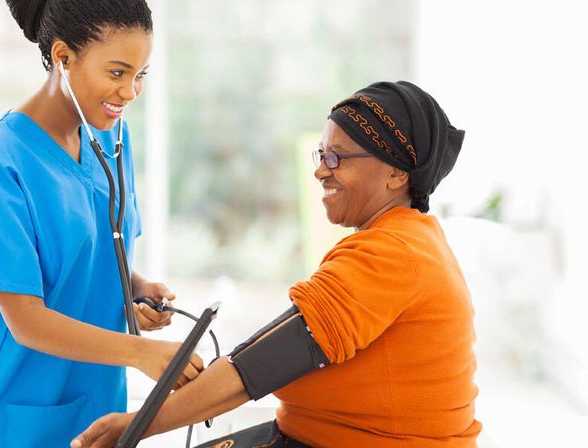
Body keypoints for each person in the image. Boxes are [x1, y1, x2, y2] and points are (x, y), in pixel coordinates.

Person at [71, 81, 482, 448]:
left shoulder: (392, 255)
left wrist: (134, 427)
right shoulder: (406, 239)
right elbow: (262, 354)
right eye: (322, 154)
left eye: (338, 158)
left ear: (396, 173)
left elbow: (254, 369)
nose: (321, 170)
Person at [0, 1, 204, 446]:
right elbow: (26, 318)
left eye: (140, 75)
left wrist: (132, 286)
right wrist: (142, 352)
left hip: (97, 405)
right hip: (14, 418)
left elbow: (91, 249)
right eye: (117, 73)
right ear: (63, 57)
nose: (130, 92)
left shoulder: (111, 136)